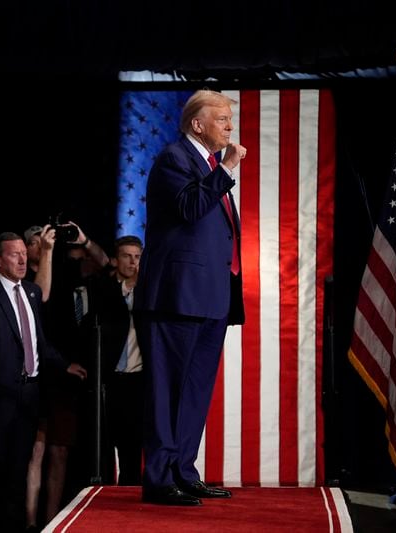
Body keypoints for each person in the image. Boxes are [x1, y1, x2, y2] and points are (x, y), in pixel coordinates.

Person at [133, 89, 247, 506]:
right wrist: (228, 170)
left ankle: (183, 470)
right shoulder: (173, 158)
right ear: (197, 124)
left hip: (210, 299)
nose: (230, 127)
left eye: (229, 119)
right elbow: (188, 208)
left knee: (195, 391)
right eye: (222, 119)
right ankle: (159, 477)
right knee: (168, 390)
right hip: (174, 298)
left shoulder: (208, 164)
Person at [0, 232, 86, 533]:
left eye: (22, 253)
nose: (21, 259)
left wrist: (64, 364)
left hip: (29, 398)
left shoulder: (30, 292)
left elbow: (38, 343)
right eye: (13, 254)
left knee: (18, 472)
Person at [23, 221, 105, 528]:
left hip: (69, 379)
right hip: (41, 374)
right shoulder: (28, 281)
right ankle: (30, 522)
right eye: (34, 242)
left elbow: (107, 266)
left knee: (59, 452)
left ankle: (51, 522)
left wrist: (85, 239)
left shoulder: (67, 272)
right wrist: (60, 364)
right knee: (37, 450)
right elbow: (37, 322)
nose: (39, 246)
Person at [95, 235, 144, 486]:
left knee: (132, 448)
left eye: (137, 257)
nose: (133, 262)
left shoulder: (149, 292)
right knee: (104, 446)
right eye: (127, 256)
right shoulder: (103, 289)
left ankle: (129, 501)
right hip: (108, 382)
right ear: (116, 259)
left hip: (139, 382)